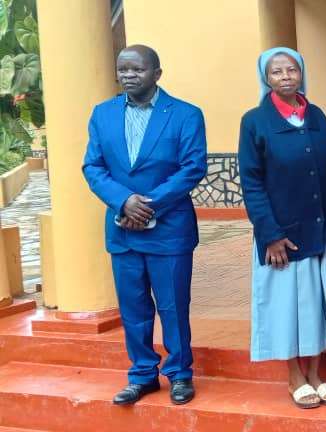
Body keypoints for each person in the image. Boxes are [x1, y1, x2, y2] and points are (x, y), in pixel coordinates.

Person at [237, 47, 326, 409]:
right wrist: (270, 235)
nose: (285, 77)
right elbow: (252, 183)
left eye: (292, 70)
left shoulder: (317, 115)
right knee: (288, 308)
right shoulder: (254, 122)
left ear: (301, 73)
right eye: (277, 72)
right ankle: (295, 376)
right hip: (284, 236)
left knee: (318, 304)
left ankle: (316, 375)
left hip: (321, 229)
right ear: (266, 78)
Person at [82, 45, 207, 406]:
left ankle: (180, 373)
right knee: (133, 309)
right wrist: (124, 201)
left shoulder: (185, 114)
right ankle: (142, 375)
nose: (128, 75)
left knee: (173, 307)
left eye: (137, 69)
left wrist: (147, 205)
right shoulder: (102, 114)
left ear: (156, 73)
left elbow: (193, 167)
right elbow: (93, 166)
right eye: (123, 69)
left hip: (169, 230)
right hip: (123, 229)